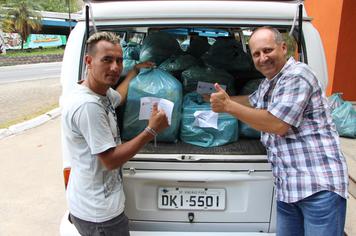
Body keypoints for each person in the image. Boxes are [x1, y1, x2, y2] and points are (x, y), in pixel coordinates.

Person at [210, 26, 348, 236]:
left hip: (318, 187)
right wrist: (216, 100)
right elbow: (251, 101)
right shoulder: (270, 82)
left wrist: (228, 107)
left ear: (283, 48)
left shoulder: (298, 75)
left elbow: (277, 124)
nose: (262, 58)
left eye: (267, 50)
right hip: (289, 187)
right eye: (256, 54)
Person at [61, 31, 169, 236]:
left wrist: (134, 71)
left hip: (98, 205)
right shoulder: (88, 106)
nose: (114, 67)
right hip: (98, 215)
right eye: (107, 60)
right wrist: (151, 130)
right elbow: (110, 161)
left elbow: (118, 96)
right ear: (89, 61)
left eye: (119, 61)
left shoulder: (100, 91)